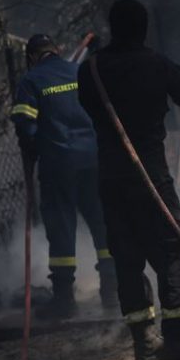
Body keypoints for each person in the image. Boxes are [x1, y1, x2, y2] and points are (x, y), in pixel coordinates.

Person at [77, 0, 180, 360]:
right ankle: (178, 339)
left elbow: (91, 107)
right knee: (171, 251)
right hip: (150, 177)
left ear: (113, 27)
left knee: (126, 259)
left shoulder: (91, 69)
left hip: (111, 180)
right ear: (144, 29)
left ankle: (143, 341)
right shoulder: (155, 64)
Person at [10, 34, 117, 318]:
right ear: (56, 50)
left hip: (59, 164)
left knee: (61, 227)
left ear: (31, 57)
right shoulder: (78, 71)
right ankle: (111, 291)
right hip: (94, 159)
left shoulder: (31, 81)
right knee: (101, 223)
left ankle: (65, 300)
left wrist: (33, 148)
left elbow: (24, 123)